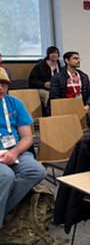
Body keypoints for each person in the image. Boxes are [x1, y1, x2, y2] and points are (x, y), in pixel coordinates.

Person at [0, 68, 46, 228]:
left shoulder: (15, 103)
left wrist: (14, 152)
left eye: (3, 84)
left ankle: (3, 211)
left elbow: (27, 137)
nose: (0, 88)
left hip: (16, 150)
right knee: (6, 176)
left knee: (37, 171)